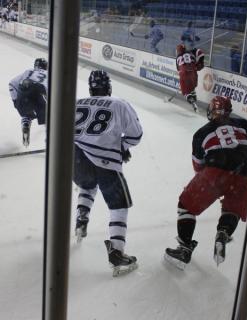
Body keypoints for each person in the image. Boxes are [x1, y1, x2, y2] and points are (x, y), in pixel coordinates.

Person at [164, 96, 247, 270]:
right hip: (246, 172)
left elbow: (198, 166)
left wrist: (209, 184)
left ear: (211, 111)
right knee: (232, 209)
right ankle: (223, 233)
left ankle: (184, 249)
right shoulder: (243, 124)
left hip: (216, 171)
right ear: (229, 111)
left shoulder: (201, 133)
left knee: (186, 205)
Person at [73, 70, 143, 277]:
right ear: (108, 87)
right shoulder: (119, 104)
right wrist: (122, 145)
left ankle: (81, 220)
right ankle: (117, 253)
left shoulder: (76, 102)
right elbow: (136, 135)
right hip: (105, 161)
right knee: (119, 206)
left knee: (87, 185)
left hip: (75, 158)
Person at [8, 58, 48, 147]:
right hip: (39, 92)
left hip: (23, 92)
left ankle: (26, 124)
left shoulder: (28, 71)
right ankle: (51, 143)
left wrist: (15, 100)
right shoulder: (49, 74)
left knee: (27, 114)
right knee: (49, 119)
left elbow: (11, 83)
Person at [176, 43, 204, 111]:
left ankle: (192, 102)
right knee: (192, 87)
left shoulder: (178, 57)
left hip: (184, 73)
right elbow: (200, 52)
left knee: (186, 92)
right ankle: (193, 96)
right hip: (193, 72)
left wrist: (183, 83)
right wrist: (200, 63)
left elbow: (179, 69)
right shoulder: (191, 53)